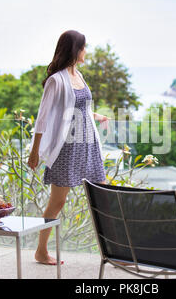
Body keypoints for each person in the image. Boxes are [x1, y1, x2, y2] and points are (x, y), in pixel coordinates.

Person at [28, 30, 109, 265]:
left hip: (89, 145)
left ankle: (114, 252)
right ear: (75, 50)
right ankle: (41, 251)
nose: (86, 51)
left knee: (102, 198)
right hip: (66, 149)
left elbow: (75, 108)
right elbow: (43, 118)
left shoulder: (79, 76)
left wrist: (95, 115)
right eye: (84, 47)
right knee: (57, 203)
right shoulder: (56, 80)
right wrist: (35, 152)